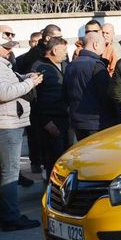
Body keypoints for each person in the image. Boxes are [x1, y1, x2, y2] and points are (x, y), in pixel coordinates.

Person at [0, 33, 42, 231]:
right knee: (9, 174)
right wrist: (30, 83)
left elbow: (4, 85)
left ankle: (5, 215)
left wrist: (24, 77)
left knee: (6, 172)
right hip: (5, 125)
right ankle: (10, 217)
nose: (10, 50)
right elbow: (3, 92)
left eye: (11, 46)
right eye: (5, 47)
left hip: (4, 123)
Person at [64, 32, 121, 141]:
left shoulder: (71, 65)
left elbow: (66, 94)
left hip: (78, 122)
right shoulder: (96, 65)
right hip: (97, 122)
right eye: (103, 45)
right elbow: (107, 95)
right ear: (95, 44)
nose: (104, 48)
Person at [29, 37, 70, 179]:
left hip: (67, 119)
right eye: (64, 50)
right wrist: (46, 122)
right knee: (54, 161)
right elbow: (34, 99)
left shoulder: (64, 64)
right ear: (54, 50)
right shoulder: (38, 67)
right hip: (51, 121)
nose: (66, 53)